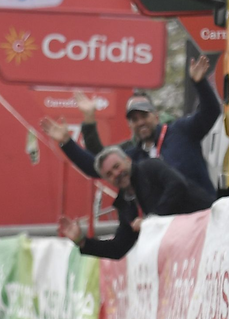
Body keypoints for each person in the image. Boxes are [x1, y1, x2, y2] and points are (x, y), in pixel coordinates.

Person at [41, 56, 221, 198]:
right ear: (130, 125)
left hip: (201, 217)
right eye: (134, 119)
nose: (140, 122)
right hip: (167, 226)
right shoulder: (132, 157)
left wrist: (200, 84)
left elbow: (211, 112)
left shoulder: (181, 131)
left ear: (156, 116)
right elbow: (95, 166)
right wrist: (67, 142)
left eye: (144, 116)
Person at [58, 146, 214, 259]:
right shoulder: (125, 204)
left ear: (128, 160)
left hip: (214, 230)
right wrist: (82, 241)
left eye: (117, 166)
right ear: (106, 180)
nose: (117, 174)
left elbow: (177, 186)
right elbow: (118, 248)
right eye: (110, 174)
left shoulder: (150, 167)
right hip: (195, 250)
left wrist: (150, 222)